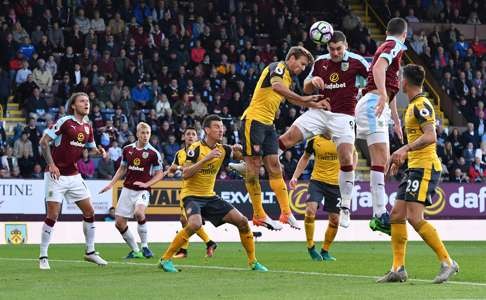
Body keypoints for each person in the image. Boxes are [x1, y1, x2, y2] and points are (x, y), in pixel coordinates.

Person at [277, 31, 369, 229]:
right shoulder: (320, 62)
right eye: (331, 49)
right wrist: (312, 82)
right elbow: (306, 88)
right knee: (289, 137)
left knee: (346, 156)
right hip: (320, 109)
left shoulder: (358, 61)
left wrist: (366, 96)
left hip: (344, 115)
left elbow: (373, 80)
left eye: (339, 49)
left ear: (346, 46)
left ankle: (345, 207)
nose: (335, 53)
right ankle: (261, 161)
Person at [378, 64, 458, 283]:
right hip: (414, 168)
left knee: (414, 217)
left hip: (425, 168)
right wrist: (402, 160)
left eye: (400, 77)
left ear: (405, 81)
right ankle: (398, 268)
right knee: (396, 215)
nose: (398, 80)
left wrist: (404, 149)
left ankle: (448, 262)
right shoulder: (414, 105)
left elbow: (431, 136)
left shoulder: (421, 105)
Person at [235, 46, 329, 231]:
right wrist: (305, 99)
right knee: (254, 168)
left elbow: (292, 99)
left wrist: (312, 103)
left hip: (268, 124)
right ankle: (258, 215)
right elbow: (277, 87)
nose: (302, 69)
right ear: (292, 58)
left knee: (275, 166)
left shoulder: (290, 78)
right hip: (253, 120)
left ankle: (286, 213)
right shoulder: (277, 67)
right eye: (301, 64)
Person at [159, 115, 267, 273]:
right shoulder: (194, 149)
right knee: (195, 224)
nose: (221, 130)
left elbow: (241, 157)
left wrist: (242, 154)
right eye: (216, 127)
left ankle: (253, 262)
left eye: (222, 127)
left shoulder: (223, 149)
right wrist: (206, 159)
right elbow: (186, 173)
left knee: (242, 221)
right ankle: (165, 259)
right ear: (207, 130)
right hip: (191, 196)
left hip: (210, 196)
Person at [39, 92, 108, 270]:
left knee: (90, 211)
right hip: (56, 175)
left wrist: (99, 152)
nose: (86, 104)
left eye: (88, 101)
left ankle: (90, 252)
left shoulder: (88, 127)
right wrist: (52, 165)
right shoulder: (65, 122)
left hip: (74, 176)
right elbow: (44, 142)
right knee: (53, 215)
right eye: (82, 101)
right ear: (73, 106)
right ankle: (43, 256)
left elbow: (89, 150)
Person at [355, 17, 407, 233]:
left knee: (381, 162)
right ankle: (378, 214)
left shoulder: (387, 47)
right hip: (373, 104)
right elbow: (377, 69)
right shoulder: (395, 45)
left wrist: (395, 119)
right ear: (404, 34)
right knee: (380, 161)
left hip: (376, 105)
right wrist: (383, 95)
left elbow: (389, 83)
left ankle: (379, 214)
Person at [100, 122, 163, 259]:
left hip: (143, 191)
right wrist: (111, 184)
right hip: (127, 190)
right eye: (143, 133)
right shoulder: (127, 149)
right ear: (137, 134)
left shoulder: (153, 153)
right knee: (119, 223)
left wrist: (147, 184)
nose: (145, 136)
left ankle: (145, 246)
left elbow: (159, 174)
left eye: (148, 133)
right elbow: (122, 168)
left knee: (139, 213)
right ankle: (136, 250)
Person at [290, 133, 357, 261]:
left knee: (335, 220)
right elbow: (305, 157)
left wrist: (350, 172)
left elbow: (354, 153)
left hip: (337, 184)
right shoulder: (314, 140)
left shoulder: (341, 138)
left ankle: (325, 251)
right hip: (317, 181)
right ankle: (310, 247)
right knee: (310, 211)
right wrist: (295, 176)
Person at [165, 126, 217, 259]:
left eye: (193, 134)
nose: (190, 136)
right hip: (186, 190)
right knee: (185, 220)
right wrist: (174, 169)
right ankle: (187, 249)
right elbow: (171, 171)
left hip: (198, 192)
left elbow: (194, 168)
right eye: (188, 134)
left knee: (188, 220)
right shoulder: (179, 154)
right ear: (183, 137)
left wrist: (180, 168)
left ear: (197, 137)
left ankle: (206, 243)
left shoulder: (200, 151)